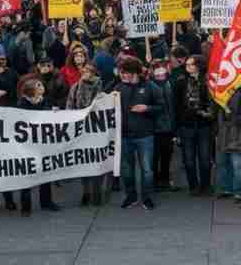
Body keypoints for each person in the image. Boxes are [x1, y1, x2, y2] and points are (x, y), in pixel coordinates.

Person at [113, 57, 161, 210]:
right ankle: (131, 196)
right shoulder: (118, 87)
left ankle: (146, 197)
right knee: (127, 169)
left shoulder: (150, 86)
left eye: (124, 72)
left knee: (147, 170)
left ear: (134, 73)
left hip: (145, 135)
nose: (121, 75)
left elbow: (161, 106)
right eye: (121, 72)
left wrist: (147, 108)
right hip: (124, 135)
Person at [14, 77, 64, 215]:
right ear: (31, 90)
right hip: (28, 145)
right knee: (27, 175)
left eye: (41, 84)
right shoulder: (22, 103)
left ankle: (46, 202)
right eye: (38, 85)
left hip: (43, 143)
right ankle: (26, 206)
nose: (42, 87)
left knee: (45, 173)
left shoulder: (44, 100)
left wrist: (53, 112)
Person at [68, 60, 107, 206]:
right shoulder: (75, 87)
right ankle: (86, 192)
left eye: (90, 70)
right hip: (82, 130)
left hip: (96, 129)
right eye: (85, 70)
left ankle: (97, 193)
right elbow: (70, 106)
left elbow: (100, 105)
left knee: (97, 162)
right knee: (84, 162)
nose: (86, 73)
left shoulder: (100, 87)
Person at [175, 55, 214, 196]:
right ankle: (193, 186)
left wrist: (207, 114)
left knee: (205, 159)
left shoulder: (208, 81)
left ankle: (206, 186)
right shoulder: (181, 82)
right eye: (187, 64)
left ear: (199, 66)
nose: (187, 66)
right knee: (189, 160)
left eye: (190, 64)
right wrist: (177, 128)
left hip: (204, 125)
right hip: (186, 126)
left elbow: (212, 103)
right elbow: (176, 105)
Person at [215, 83, 241, 205]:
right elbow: (216, 115)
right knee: (223, 163)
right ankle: (227, 189)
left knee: (236, 165)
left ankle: (238, 191)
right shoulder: (220, 95)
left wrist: (232, 116)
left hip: (236, 134)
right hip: (223, 134)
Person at [149, 59, 178, 192]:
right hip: (154, 127)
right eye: (158, 68)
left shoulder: (170, 83)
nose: (161, 71)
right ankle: (155, 180)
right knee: (155, 156)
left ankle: (164, 179)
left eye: (163, 68)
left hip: (168, 126)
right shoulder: (150, 85)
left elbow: (174, 106)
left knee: (166, 155)